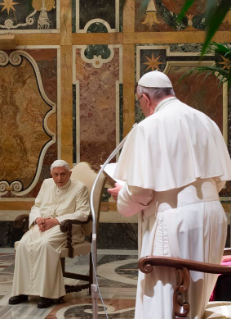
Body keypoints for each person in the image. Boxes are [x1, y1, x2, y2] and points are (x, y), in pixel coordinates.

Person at [108, 70, 231, 319]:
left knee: (163, 300)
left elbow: (141, 191)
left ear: (145, 98)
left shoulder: (148, 127)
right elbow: (218, 180)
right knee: (196, 299)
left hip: (174, 221)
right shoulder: (206, 120)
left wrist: (123, 194)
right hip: (213, 216)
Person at [9, 160, 90, 308]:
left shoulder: (80, 188)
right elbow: (37, 206)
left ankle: (47, 294)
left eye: (63, 174)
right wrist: (38, 219)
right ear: (51, 174)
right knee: (23, 245)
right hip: (43, 225)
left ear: (69, 174)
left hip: (66, 228)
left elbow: (83, 214)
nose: (59, 178)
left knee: (45, 245)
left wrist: (57, 221)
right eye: (56, 175)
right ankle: (21, 291)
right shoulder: (46, 184)